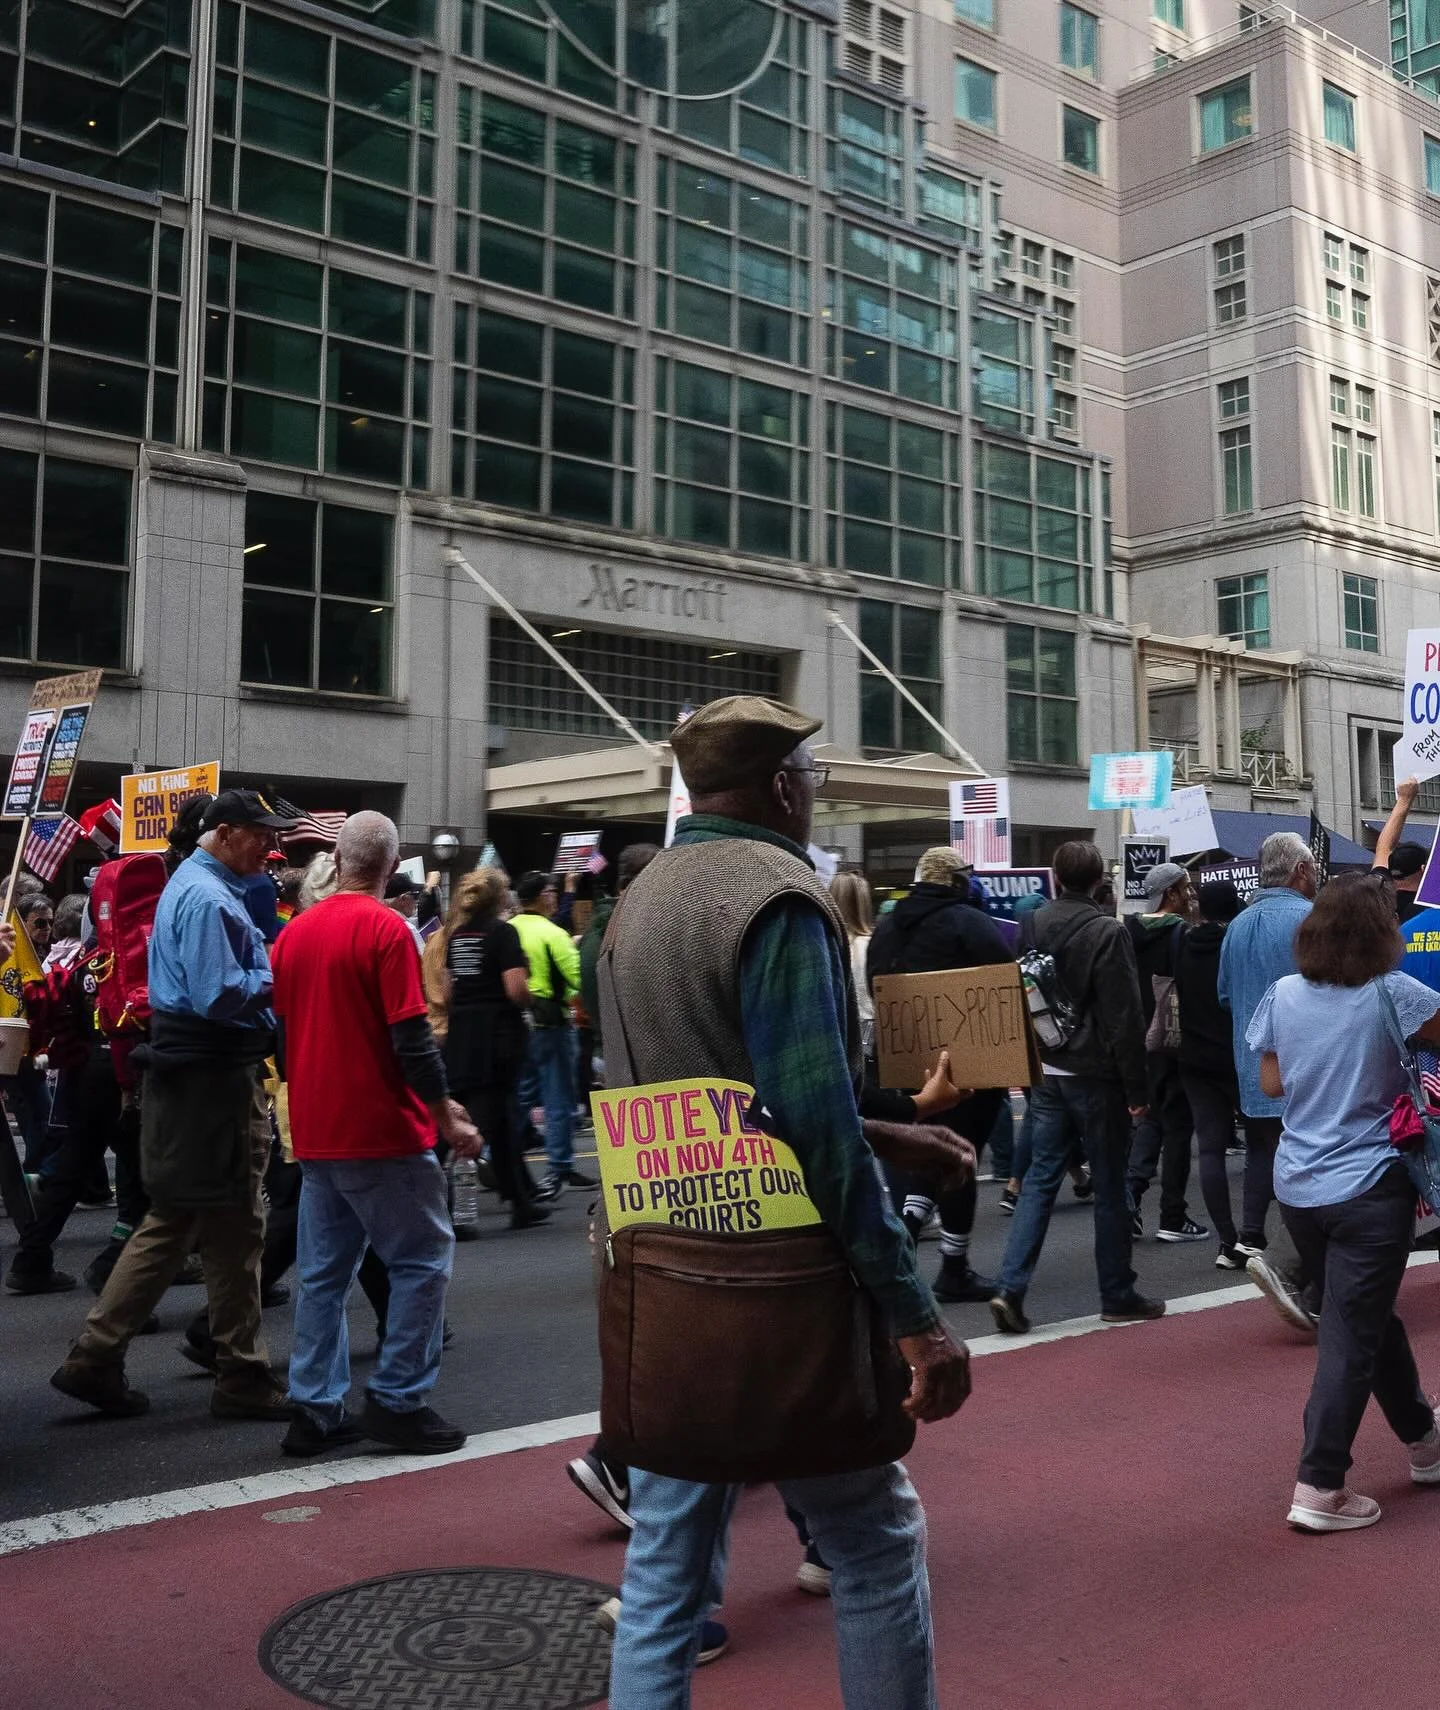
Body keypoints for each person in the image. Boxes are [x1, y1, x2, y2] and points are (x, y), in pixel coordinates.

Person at [601, 694, 971, 1708]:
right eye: (810, 778)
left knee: (664, 1578)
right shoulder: (777, 895)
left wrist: (890, 1129)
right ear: (779, 787)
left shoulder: (638, 899)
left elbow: (715, 1100)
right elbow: (809, 1124)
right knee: (877, 1543)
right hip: (778, 1285)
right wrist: (917, 1319)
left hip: (661, 1274)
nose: (813, 795)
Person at [50, 789, 296, 1421]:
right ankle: (215, 1370)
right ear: (229, 833)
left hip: (196, 1078)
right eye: (262, 837)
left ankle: (111, 1356)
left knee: (204, 1222)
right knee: (222, 1222)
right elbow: (220, 994)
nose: (271, 849)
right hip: (210, 1080)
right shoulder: (211, 898)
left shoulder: (194, 885)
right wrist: (283, 973)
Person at [273, 812, 480, 1457]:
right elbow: (410, 1036)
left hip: (317, 1129)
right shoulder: (389, 928)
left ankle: (314, 1408)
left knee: (324, 1275)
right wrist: (444, 1111)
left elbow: (282, 1032)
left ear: (338, 860)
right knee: (422, 1259)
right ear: (390, 866)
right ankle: (397, 1399)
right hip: (382, 1129)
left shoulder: (295, 934)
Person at [1246, 872, 1440, 1531]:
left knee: (1366, 1318)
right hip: (1370, 1181)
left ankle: (1422, 1436)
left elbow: (1272, 1081)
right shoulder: (1396, 993)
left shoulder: (1283, 994)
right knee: (1351, 1333)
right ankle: (1320, 1484)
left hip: (1299, 1183)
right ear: (1383, 933)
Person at [990, 840, 1164, 1336]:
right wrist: (1137, 1088)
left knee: (1040, 1181)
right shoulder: (1107, 932)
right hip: (1097, 1074)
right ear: (1096, 882)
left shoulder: (1032, 925)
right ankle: (1117, 1293)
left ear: (1055, 878)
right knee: (1109, 1185)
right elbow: (1123, 1015)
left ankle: (1010, 1286)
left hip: (1047, 1069)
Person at [867, 846, 1013, 1302]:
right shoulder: (969, 922)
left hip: (907, 1061)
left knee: (928, 1150)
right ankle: (950, 1264)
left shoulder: (888, 926)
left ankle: (910, 1237)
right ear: (957, 882)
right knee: (958, 1156)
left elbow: (878, 988)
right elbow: (1000, 985)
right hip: (966, 1063)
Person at [1216, 830, 1319, 1331]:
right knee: (1315, 1171)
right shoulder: (1308, 920)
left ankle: (1258, 1242)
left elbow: (1226, 997)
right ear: (1299, 872)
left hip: (1253, 1066)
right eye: (1314, 869)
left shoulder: (1236, 926)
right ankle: (1286, 1264)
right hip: (1304, 1068)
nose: (1318, 876)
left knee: (1275, 1157)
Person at [439, 868, 549, 1229]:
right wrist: (532, 997)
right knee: (481, 1122)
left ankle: (519, 1200)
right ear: (500, 898)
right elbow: (515, 989)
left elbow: (450, 990)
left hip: (464, 1034)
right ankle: (447, 1203)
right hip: (498, 1036)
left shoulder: (456, 936)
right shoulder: (503, 934)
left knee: (495, 1120)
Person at [1173, 880, 1266, 1270]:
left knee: (1209, 1150)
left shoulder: (1182, 945)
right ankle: (1250, 1234)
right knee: (1260, 1142)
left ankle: (1226, 1240)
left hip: (1193, 1058)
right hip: (1234, 1055)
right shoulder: (1237, 946)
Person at [1125, 862, 1208, 1244]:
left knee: (1152, 1119)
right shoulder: (1183, 935)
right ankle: (1172, 1214)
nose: (1191, 894)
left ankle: (1131, 1195)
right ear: (1171, 894)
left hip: (1140, 1039)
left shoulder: (1127, 932)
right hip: (1175, 1041)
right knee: (1177, 1127)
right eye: (1186, 888)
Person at [512, 870, 592, 1198]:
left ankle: (495, 1153)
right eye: (550, 890)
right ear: (541, 896)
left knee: (520, 1094)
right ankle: (558, 1165)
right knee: (557, 1096)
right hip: (551, 1023)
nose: (555, 895)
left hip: (516, 1024)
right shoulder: (553, 933)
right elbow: (577, 977)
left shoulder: (508, 929)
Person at [1371, 775, 1426, 925]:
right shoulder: (1431, 906)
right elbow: (1384, 849)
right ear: (1423, 869)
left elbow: (1383, 848)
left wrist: (1404, 799)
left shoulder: (1376, 897)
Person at [384, 872, 427, 954]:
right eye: (415, 896)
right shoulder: (406, 928)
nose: (417, 901)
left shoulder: (373, 924)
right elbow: (425, 964)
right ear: (403, 898)